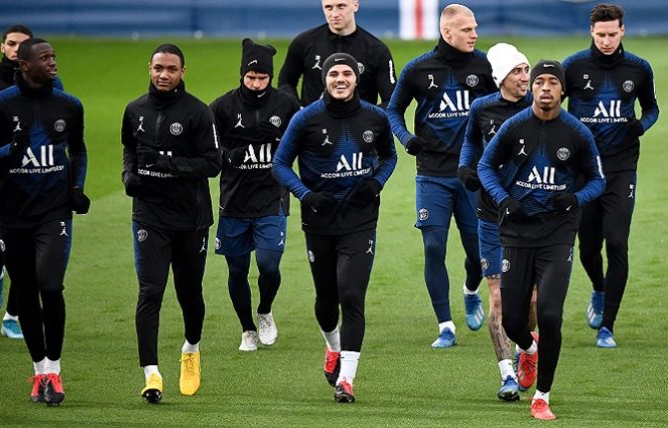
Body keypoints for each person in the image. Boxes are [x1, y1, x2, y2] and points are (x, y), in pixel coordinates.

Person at [478, 60, 605, 420]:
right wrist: (504, 199)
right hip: (516, 232)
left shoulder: (577, 133)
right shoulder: (513, 127)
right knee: (514, 321)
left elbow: (598, 180)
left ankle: (542, 396)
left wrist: (575, 198)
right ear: (531, 88)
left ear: (563, 90)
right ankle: (526, 348)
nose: (545, 87)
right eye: (539, 82)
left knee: (549, 314)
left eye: (553, 82)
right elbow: (486, 167)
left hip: (557, 234)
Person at [273, 53, 397, 403]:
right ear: (325, 79)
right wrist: (306, 195)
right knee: (327, 299)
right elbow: (280, 164)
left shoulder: (375, 117)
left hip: (360, 219)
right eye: (333, 74)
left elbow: (389, 156)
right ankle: (333, 347)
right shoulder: (306, 118)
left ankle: (347, 378)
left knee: (351, 294)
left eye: (346, 73)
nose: (340, 79)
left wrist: (376, 184)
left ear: (357, 79)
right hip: (319, 220)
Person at [0, 37, 90, 406]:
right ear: (24, 65)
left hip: (54, 210)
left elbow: (79, 149)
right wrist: (11, 149)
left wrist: (76, 186)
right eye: (45, 58)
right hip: (13, 213)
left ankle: (55, 371)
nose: (53, 62)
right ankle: (39, 369)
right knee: (25, 292)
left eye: (54, 56)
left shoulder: (69, 105)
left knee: (51, 285)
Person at [387, 3, 497, 348]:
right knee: (434, 246)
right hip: (431, 174)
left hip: (472, 176)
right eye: (467, 29)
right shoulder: (419, 69)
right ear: (447, 32)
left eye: (475, 28)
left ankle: (470, 289)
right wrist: (406, 138)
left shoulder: (485, 66)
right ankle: (445, 325)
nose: (475, 34)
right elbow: (393, 109)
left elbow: (503, 106)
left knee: (477, 252)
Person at [121, 44, 221, 403]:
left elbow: (213, 163)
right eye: (159, 68)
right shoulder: (134, 110)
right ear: (149, 68)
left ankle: (191, 350)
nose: (164, 74)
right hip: (149, 214)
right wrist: (128, 174)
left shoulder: (197, 112)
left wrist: (170, 165)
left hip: (191, 218)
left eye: (172, 69)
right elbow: (129, 149)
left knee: (189, 293)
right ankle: (151, 374)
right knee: (150, 291)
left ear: (182, 72)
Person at [563, 3, 659, 348]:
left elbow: (652, 108)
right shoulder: (573, 67)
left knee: (617, 240)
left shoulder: (638, 68)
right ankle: (599, 289)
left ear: (622, 31)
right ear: (592, 32)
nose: (606, 40)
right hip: (585, 171)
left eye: (612, 34)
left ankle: (608, 326)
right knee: (588, 246)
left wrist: (640, 126)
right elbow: (550, 106)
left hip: (621, 167)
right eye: (600, 35)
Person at [0, 24, 63, 340]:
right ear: (2, 47)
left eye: (23, 45)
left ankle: (13, 316)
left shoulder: (50, 83)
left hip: (33, 181)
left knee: (29, 254)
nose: (16, 49)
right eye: (11, 44)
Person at [210, 39, 300, 352]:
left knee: (269, 266)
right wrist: (227, 156)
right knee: (237, 269)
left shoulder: (286, 105)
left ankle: (264, 311)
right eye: (250, 78)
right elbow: (207, 149)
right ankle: (247, 329)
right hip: (234, 201)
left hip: (271, 199)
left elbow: (303, 140)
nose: (256, 83)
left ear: (270, 77)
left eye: (262, 78)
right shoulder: (222, 107)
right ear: (242, 76)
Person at [459, 42, 538, 400]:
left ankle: (527, 349)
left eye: (527, 70)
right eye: (518, 71)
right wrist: (465, 166)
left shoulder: (541, 108)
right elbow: (470, 144)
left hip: (530, 215)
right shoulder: (482, 108)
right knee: (499, 300)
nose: (526, 77)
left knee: (532, 301)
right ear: (501, 77)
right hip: (491, 214)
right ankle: (507, 374)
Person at [278, 0, 396, 107]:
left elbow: (391, 100)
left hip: (356, 129)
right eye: (328, 7)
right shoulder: (304, 42)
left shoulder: (376, 50)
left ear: (356, 5)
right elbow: (285, 82)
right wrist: (299, 111)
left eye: (341, 6)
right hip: (314, 128)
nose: (334, 14)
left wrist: (368, 120)